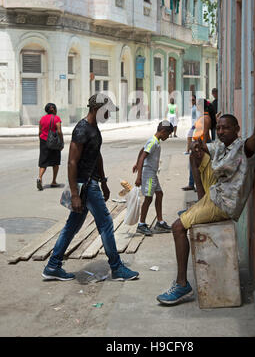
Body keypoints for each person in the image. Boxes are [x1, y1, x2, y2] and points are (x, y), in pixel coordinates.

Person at [157, 82, 255, 305]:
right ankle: (200, 202)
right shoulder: (220, 145)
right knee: (196, 154)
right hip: (213, 192)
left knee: (178, 227)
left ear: (236, 130)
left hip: (223, 203)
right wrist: (197, 148)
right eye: (218, 128)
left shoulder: (243, 148)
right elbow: (202, 148)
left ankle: (182, 285)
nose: (220, 131)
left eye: (225, 128)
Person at [42, 93, 139, 282]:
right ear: (96, 109)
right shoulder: (82, 129)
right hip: (85, 185)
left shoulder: (94, 128)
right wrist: (75, 194)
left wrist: (103, 180)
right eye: (106, 111)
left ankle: (53, 265)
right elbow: (71, 163)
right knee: (106, 223)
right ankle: (117, 268)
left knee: (72, 226)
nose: (108, 115)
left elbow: (97, 155)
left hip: (92, 182)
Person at [133, 120, 174, 236]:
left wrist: (136, 164)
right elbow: (143, 157)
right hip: (149, 174)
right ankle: (141, 224)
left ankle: (160, 222)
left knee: (159, 194)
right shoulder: (153, 142)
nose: (168, 137)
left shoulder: (154, 141)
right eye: (168, 134)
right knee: (148, 198)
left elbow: (142, 150)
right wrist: (139, 177)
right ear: (163, 131)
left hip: (153, 174)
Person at [181, 98, 215, 191]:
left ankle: (199, 185)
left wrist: (202, 146)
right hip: (196, 143)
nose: (196, 107)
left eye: (197, 105)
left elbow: (205, 133)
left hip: (201, 144)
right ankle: (192, 184)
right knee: (193, 164)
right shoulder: (201, 117)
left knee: (200, 165)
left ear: (201, 106)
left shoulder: (206, 118)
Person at [37, 103, 64, 191]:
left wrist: (41, 140)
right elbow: (59, 131)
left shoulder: (42, 119)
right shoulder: (57, 118)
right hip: (54, 142)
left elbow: (40, 132)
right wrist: (61, 142)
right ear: (55, 110)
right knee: (55, 162)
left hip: (44, 141)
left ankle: (40, 178)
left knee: (43, 161)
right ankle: (53, 181)